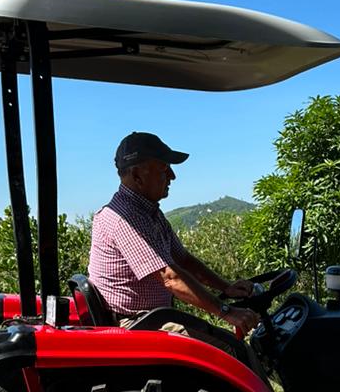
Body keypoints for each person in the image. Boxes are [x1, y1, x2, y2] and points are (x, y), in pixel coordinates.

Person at [88, 132, 261, 337]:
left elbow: (184, 260)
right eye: (164, 168)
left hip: (153, 316)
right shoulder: (124, 219)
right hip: (136, 324)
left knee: (227, 342)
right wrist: (227, 312)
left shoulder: (149, 213)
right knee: (227, 350)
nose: (172, 176)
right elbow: (170, 277)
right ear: (137, 175)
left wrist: (227, 287)